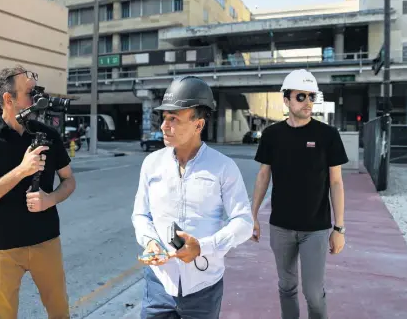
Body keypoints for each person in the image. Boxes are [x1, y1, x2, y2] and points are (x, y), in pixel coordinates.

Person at [131, 76, 254, 319]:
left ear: (198, 125)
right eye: (164, 118)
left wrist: (202, 247)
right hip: (159, 285)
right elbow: (141, 214)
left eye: (174, 119)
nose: (165, 126)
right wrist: (150, 241)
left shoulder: (223, 167)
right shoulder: (151, 164)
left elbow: (244, 223)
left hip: (203, 287)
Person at [0, 65, 76, 319]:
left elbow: (69, 180)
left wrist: (51, 199)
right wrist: (22, 171)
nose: (37, 99)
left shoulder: (48, 134)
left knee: (59, 312)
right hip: (2, 247)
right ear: (8, 99)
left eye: (36, 92)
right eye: (29, 93)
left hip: (46, 240)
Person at [250, 69, 348, 319]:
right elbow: (263, 176)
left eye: (311, 96)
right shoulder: (272, 135)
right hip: (280, 228)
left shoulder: (328, 135)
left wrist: (339, 229)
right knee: (286, 287)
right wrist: (253, 216)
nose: (308, 102)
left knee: (313, 292)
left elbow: (336, 183)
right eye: (301, 96)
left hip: (315, 228)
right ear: (287, 99)